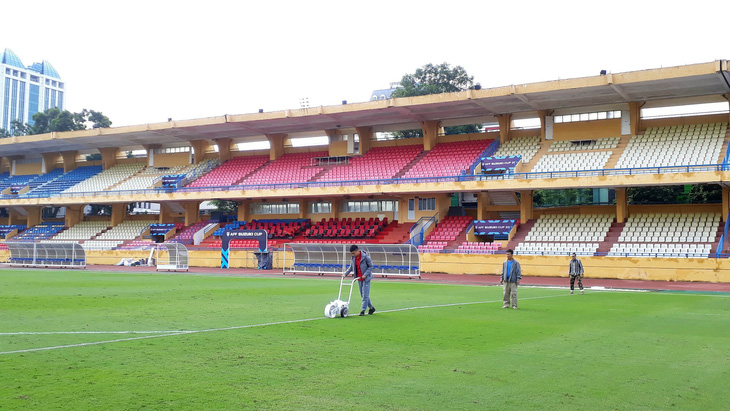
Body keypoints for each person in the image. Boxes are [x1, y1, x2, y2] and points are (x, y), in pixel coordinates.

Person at [343, 245, 376, 316]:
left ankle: (363, 310)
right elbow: (351, 267)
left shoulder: (366, 257)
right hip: (359, 278)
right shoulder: (353, 258)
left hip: (366, 278)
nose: (353, 254)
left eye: (353, 253)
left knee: (365, 295)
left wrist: (365, 274)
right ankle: (371, 307)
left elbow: (370, 266)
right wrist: (345, 274)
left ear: (357, 251)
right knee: (363, 295)